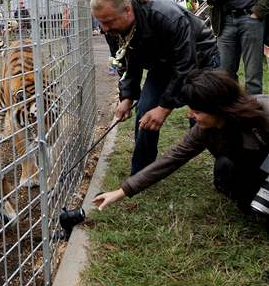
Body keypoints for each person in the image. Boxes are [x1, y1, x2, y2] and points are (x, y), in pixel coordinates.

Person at [93, 69, 269, 215]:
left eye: (197, 111)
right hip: (251, 166)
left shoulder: (262, 111)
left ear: (218, 108)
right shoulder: (204, 130)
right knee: (227, 176)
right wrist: (122, 191)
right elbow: (173, 158)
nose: (190, 116)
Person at [90, 0, 219, 175]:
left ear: (128, 10)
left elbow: (186, 65)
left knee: (203, 118)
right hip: (162, 64)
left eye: (108, 22)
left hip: (199, 60)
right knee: (145, 110)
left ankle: (230, 166)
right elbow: (127, 62)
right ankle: (142, 172)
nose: (104, 29)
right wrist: (127, 97)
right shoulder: (113, 29)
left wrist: (164, 108)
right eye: (100, 22)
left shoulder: (166, 15)